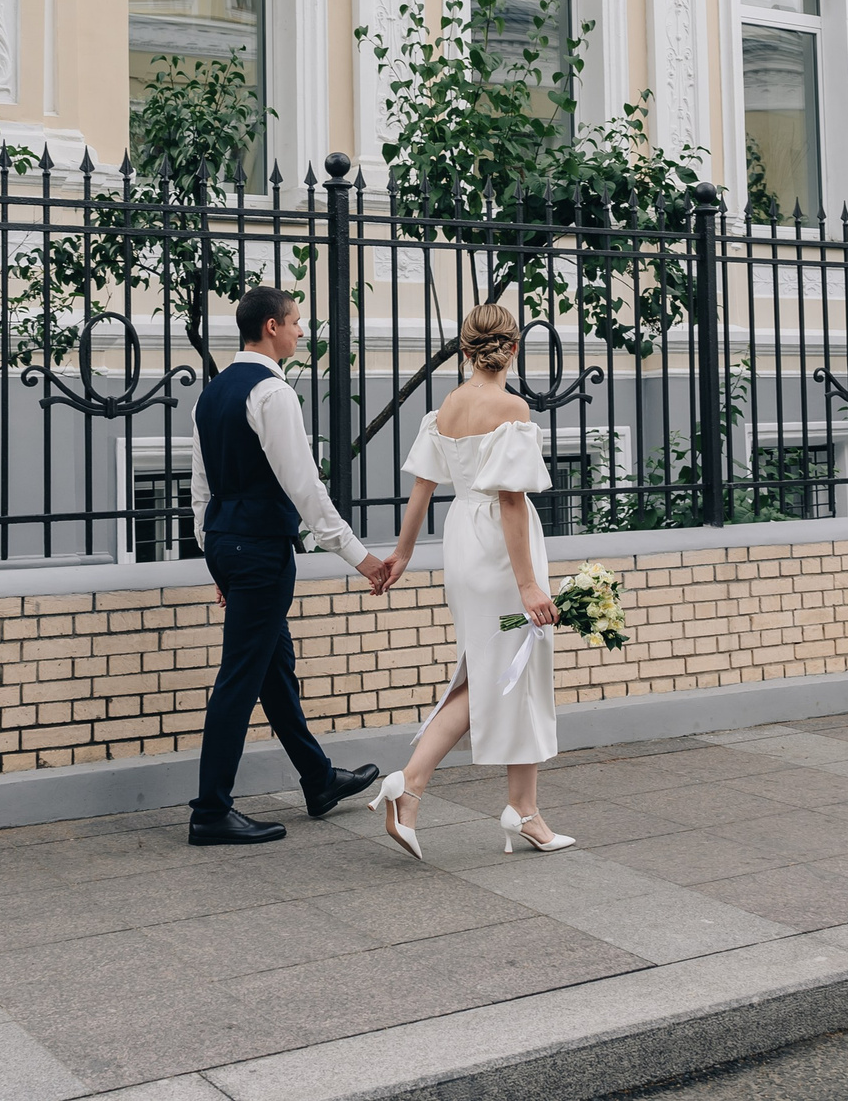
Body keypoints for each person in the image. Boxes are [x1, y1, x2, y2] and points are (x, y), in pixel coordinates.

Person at [363, 303, 575, 859]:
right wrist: (530, 585)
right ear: (513, 348)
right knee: (502, 670)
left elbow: (424, 486)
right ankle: (410, 786)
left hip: (462, 541)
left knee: (499, 667)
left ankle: (523, 811)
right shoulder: (511, 408)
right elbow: (510, 499)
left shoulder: (449, 405)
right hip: (502, 553)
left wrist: (403, 553)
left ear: (465, 350)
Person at [187, 286, 392, 846]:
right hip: (259, 551)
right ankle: (210, 810)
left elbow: (200, 490)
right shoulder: (272, 393)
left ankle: (319, 780)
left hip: (230, 546)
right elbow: (303, 487)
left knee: (273, 672)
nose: (302, 331)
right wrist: (361, 557)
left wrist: (215, 561)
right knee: (239, 680)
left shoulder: (213, 394)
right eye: (296, 322)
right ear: (272, 327)